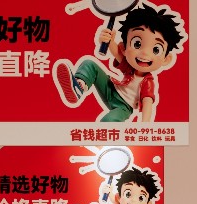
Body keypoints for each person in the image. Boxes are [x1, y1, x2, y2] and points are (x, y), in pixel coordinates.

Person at [51, 2, 187, 124]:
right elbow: (116, 52)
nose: (144, 54)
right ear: (124, 48)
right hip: (111, 90)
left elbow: (147, 103)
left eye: (156, 49)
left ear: (166, 59)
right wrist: (108, 40)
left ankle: (104, 136)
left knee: (110, 121)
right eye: (137, 44)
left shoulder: (148, 82)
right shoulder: (128, 66)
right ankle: (79, 87)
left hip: (123, 107)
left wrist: (144, 126)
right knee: (90, 64)